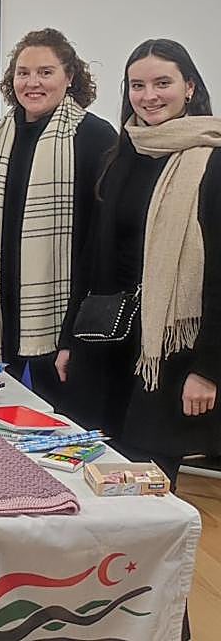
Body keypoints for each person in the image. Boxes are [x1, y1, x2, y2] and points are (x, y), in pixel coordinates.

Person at [58, 39, 220, 489]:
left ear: (189, 86)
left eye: (162, 83)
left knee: (148, 486)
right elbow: (91, 257)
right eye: (137, 85)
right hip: (107, 343)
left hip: (168, 353)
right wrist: (71, 338)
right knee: (94, 477)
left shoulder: (213, 162)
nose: (149, 95)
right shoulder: (121, 155)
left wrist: (208, 370)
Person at [0, 29, 116, 405]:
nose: (32, 83)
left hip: (60, 307)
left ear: (70, 77)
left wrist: (72, 333)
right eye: (23, 72)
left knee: (60, 422)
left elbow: (96, 241)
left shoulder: (94, 136)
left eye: (45, 72)